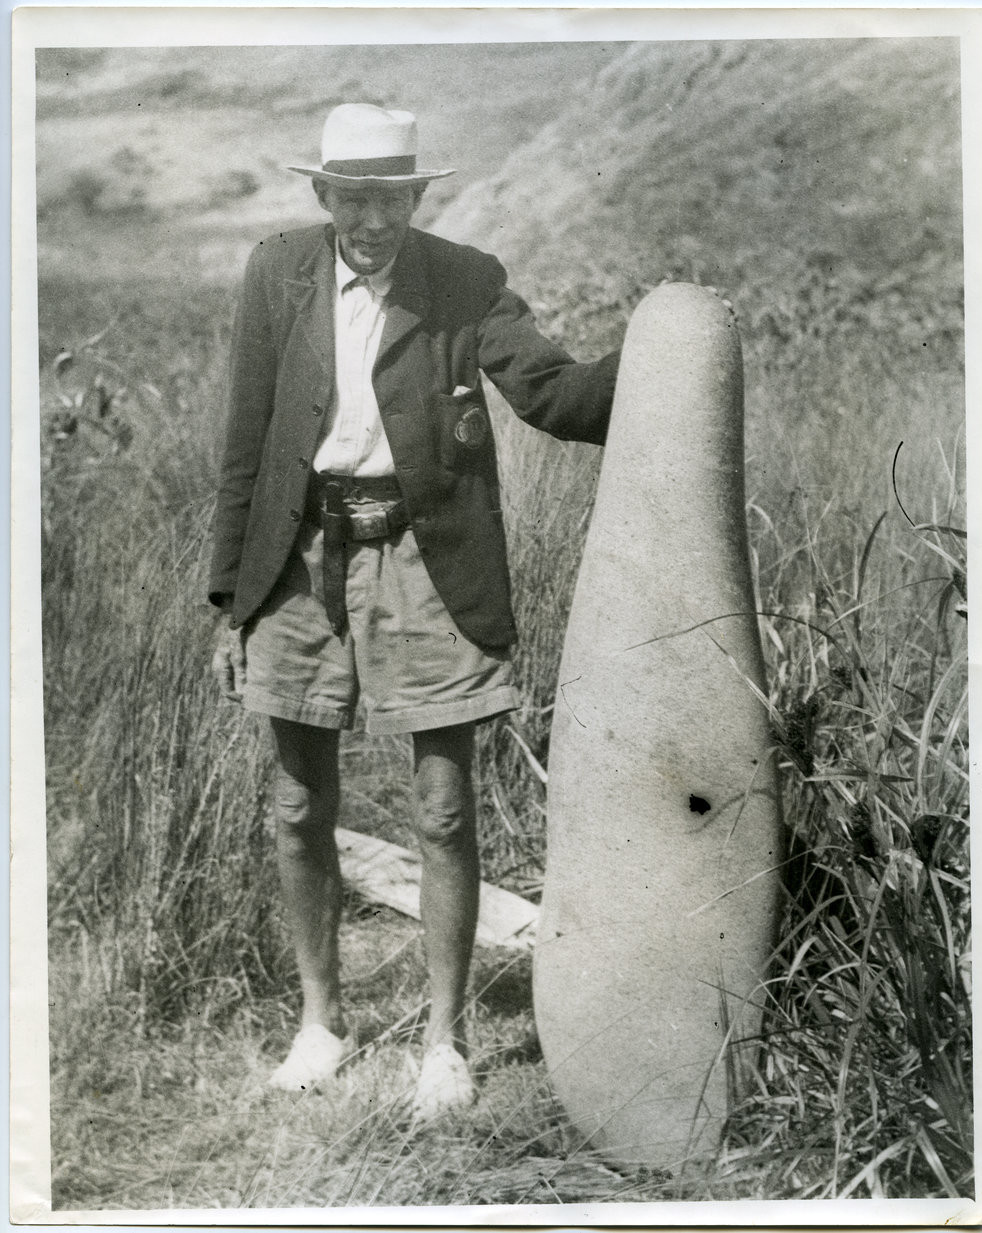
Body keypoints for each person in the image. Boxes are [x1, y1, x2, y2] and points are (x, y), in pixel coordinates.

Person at [209, 103, 619, 1120]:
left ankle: (444, 1043)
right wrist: (229, 598)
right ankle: (321, 1023)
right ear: (323, 196)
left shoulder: (465, 279)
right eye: (352, 196)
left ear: (416, 197)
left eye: (390, 198)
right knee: (299, 805)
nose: (372, 219)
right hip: (299, 560)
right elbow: (247, 439)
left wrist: (664, 352)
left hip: (426, 560)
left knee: (442, 807)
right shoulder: (279, 272)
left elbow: (553, 394)